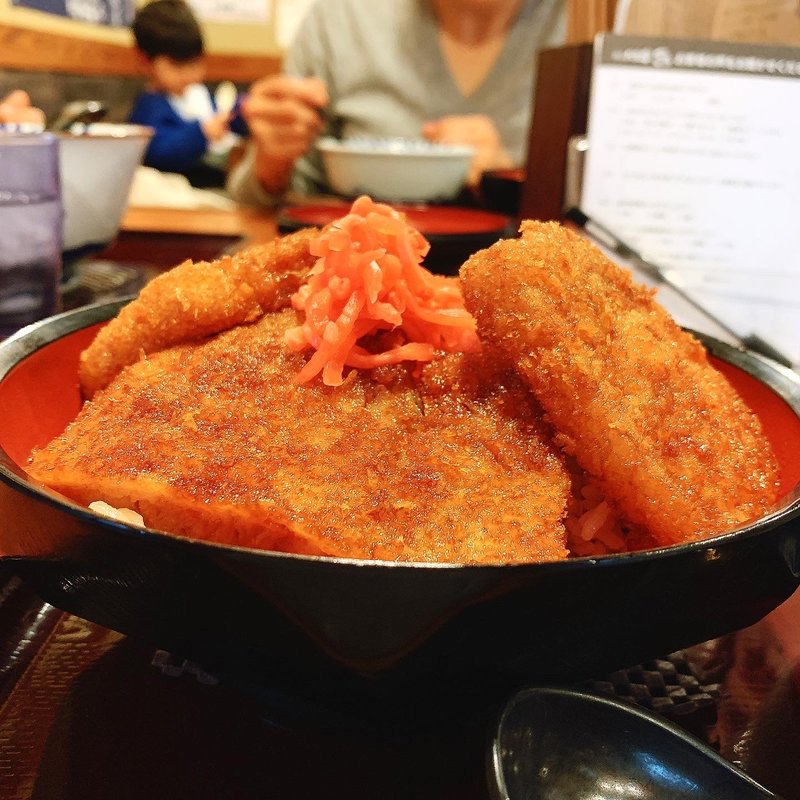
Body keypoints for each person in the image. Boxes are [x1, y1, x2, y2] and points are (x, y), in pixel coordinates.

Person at [227, 0, 565, 207]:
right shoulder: (342, 17)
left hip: (528, 288)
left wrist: (510, 181)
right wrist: (272, 159)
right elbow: (260, 199)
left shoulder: (587, 19)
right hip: (350, 280)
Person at [128, 0, 248, 188]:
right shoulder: (150, 106)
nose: (189, 74)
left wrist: (241, 116)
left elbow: (225, 126)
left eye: (194, 63)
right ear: (145, 61)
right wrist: (202, 133)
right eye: (177, 66)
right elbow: (159, 153)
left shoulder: (198, 94)